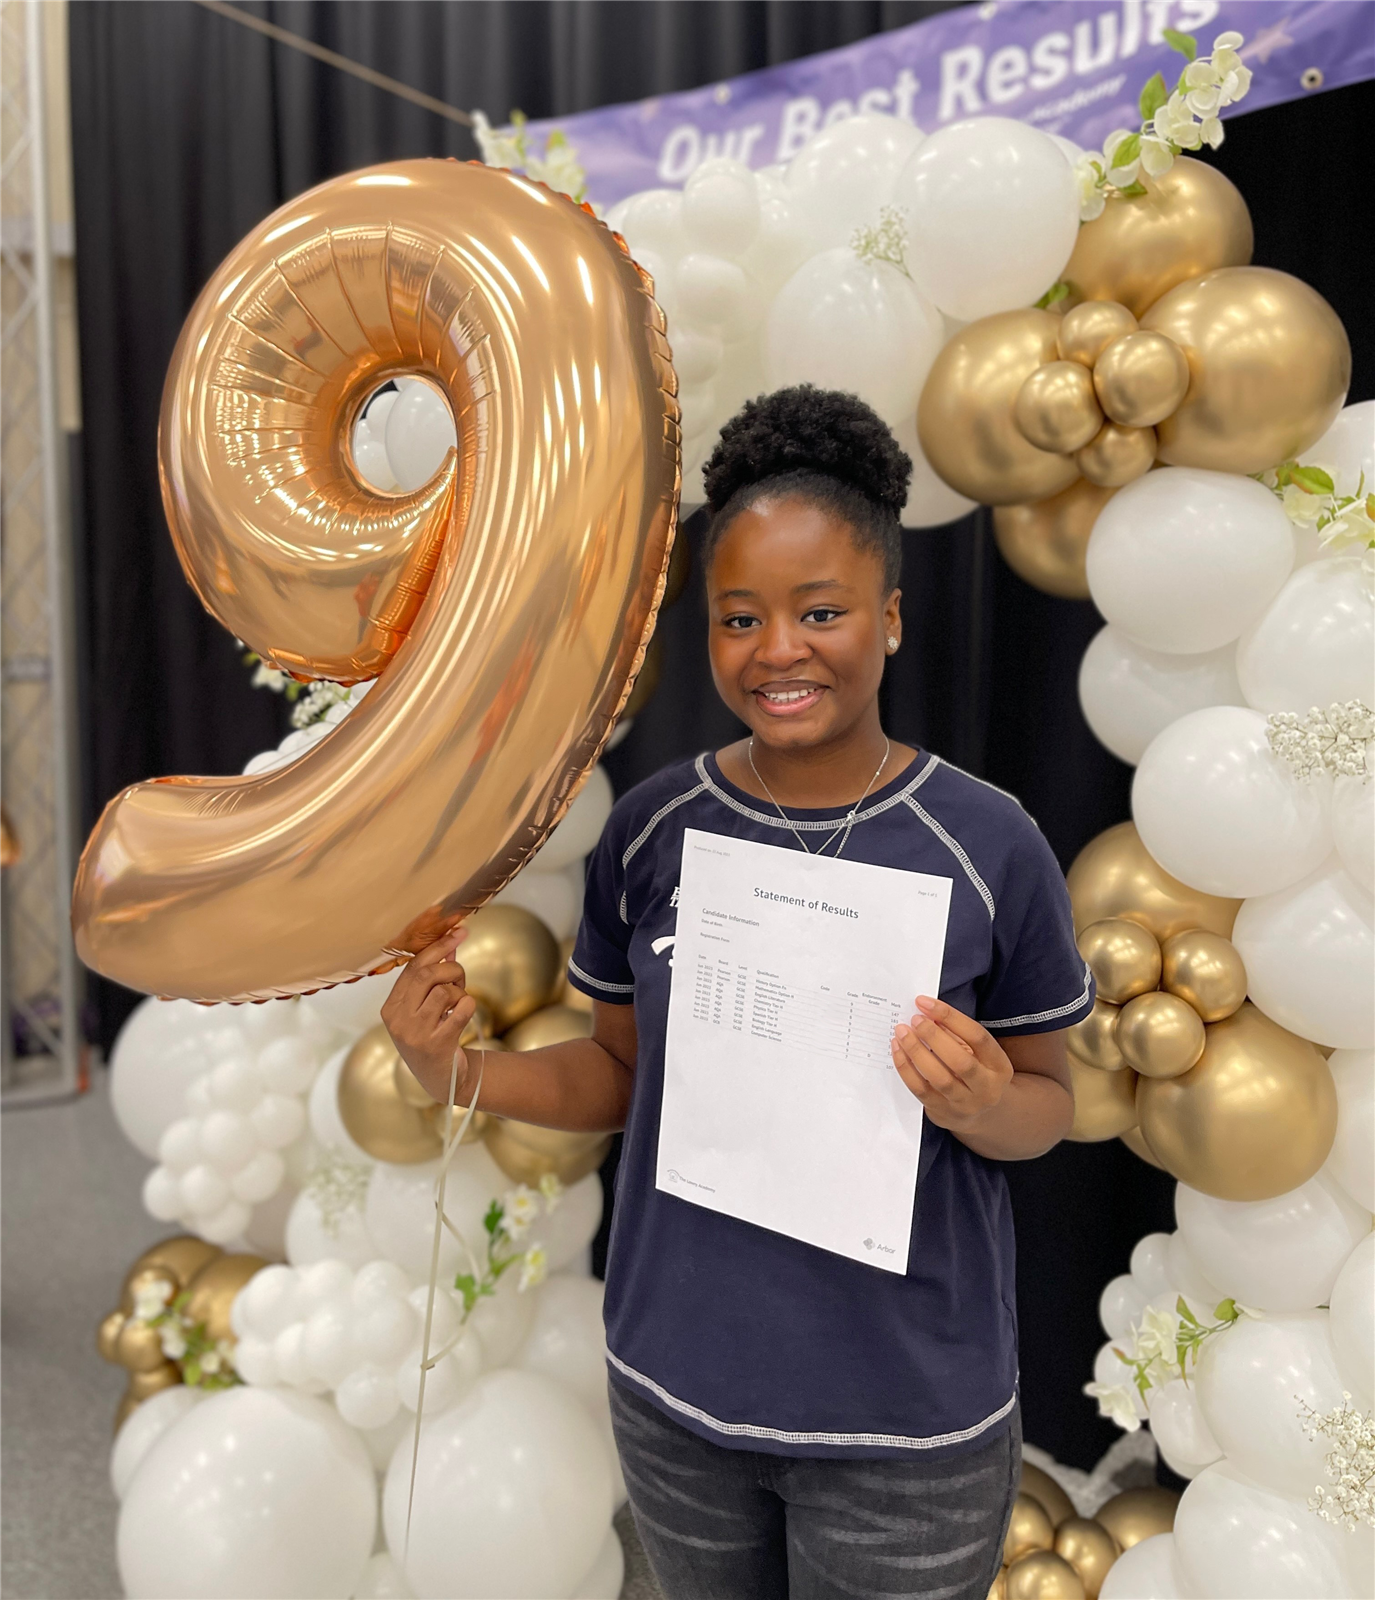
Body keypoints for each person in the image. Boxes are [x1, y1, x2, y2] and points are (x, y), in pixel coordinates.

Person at [383, 386, 1094, 1600]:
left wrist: (979, 1099)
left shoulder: (986, 842)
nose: (778, 650)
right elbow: (620, 1075)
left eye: (821, 611)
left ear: (891, 620)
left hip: (904, 1422)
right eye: (738, 617)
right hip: (679, 1395)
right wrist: (456, 1073)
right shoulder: (657, 827)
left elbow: (1048, 1107)